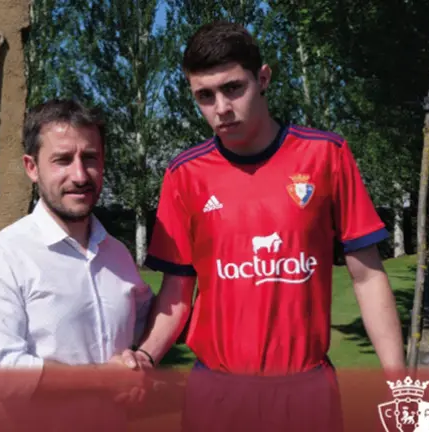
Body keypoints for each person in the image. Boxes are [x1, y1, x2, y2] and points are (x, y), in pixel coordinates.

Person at [129, 21, 406, 431]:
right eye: (204, 96)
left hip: (306, 390)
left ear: (262, 79)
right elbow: (177, 291)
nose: (220, 107)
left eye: (232, 88)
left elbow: (366, 277)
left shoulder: (326, 155)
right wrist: (146, 356)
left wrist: (397, 382)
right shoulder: (184, 175)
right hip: (216, 392)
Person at [0, 99, 154, 431]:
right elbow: (1, 372)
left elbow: (148, 320)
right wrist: (103, 379)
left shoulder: (118, 255)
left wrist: (138, 364)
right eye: (62, 160)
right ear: (31, 167)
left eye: (90, 158)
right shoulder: (1, 258)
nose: (79, 175)